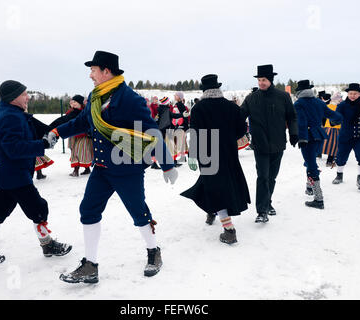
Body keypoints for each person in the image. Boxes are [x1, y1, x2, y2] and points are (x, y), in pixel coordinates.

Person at [47, 51, 178, 284]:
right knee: (88, 210)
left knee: (138, 212)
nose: (90, 75)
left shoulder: (129, 98)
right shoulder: (95, 96)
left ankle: (153, 251)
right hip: (102, 168)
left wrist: (167, 163)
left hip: (127, 168)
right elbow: (81, 122)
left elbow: (151, 130)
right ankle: (90, 264)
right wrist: (58, 131)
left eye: (93, 70)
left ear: (106, 71)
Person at [0, 80, 72, 268]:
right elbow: (13, 149)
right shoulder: (10, 117)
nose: (28, 97)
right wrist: (42, 145)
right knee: (39, 209)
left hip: (8, 174)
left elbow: (17, 139)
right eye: (24, 94)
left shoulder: (12, 114)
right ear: (13, 97)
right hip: (15, 176)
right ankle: (48, 245)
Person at [181, 74, 250, 244]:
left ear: (204, 90)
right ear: (218, 88)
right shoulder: (231, 107)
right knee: (211, 183)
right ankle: (212, 210)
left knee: (216, 187)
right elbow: (242, 129)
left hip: (207, 153)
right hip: (228, 152)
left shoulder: (198, 108)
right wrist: (228, 137)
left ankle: (229, 230)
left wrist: (192, 155)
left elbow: (196, 134)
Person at [239, 64, 298, 223]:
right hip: (260, 145)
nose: (261, 83)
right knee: (262, 177)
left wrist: (293, 133)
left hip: (278, 143)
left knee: (271, 177)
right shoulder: (251, 98)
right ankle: (262, 211)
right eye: (259, 80)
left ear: (270, 80)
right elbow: (239, 116)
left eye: (263, 80)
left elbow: (291, 117)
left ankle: (268, 202)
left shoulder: (283, 97)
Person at [293, 80, 342, 209]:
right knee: (310, 161)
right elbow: (336, 116)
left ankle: (318, 199)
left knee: (311, 164)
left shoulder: (299, 103)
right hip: (319, 135)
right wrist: (333, 122)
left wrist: (302, 138)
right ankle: (309, 188)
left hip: (307, 136)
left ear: (299, 92)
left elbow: (302, 122)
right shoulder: (319, 102)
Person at [66, 95, 93, 177]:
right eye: (72, 102)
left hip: (84, 135)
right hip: (74, 135)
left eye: (75, 102)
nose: (73, 103)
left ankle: (76, 170)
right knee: (75, 151)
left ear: (80, 103)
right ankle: (87, 169)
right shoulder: (70, 112)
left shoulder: (85, 112)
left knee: (80, 151)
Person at [321, 93, 341, 167]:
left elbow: (323, 117)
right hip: (336, 128)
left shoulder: (327, 106)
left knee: (326, 143)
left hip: (326, 127)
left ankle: (321, 156)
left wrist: (323, 125)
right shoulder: (339, 107)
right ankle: (330, 160)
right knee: (334, 145)